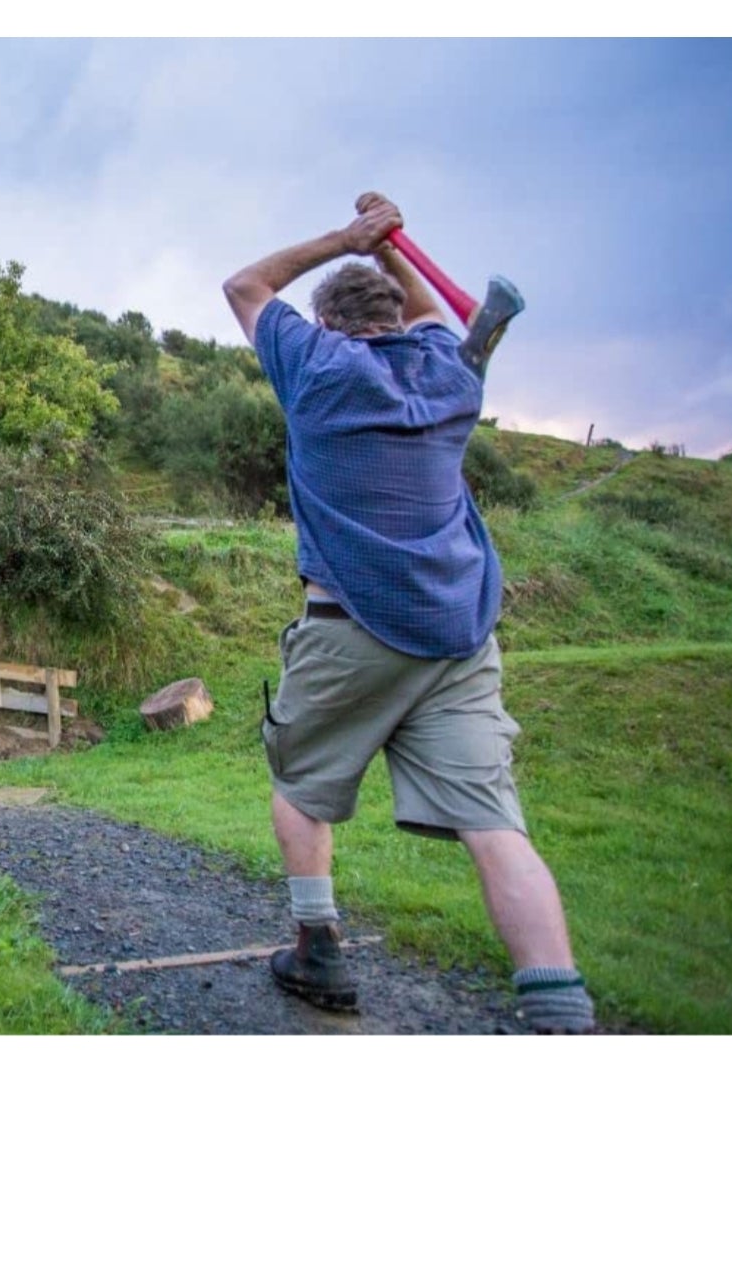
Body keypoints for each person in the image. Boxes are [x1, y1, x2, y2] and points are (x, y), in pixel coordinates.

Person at [221, 192, 595, 1034]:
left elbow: (245, 284)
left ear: (324, 321)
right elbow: (430, 314)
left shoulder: (315, 370)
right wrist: (391, 249)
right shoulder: (452, 371)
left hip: (349, 627)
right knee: (497, 825)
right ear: (397, 312)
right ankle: (559, 1002)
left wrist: (348, 239)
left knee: (301, 786)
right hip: (459, 638)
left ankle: (319, 950)